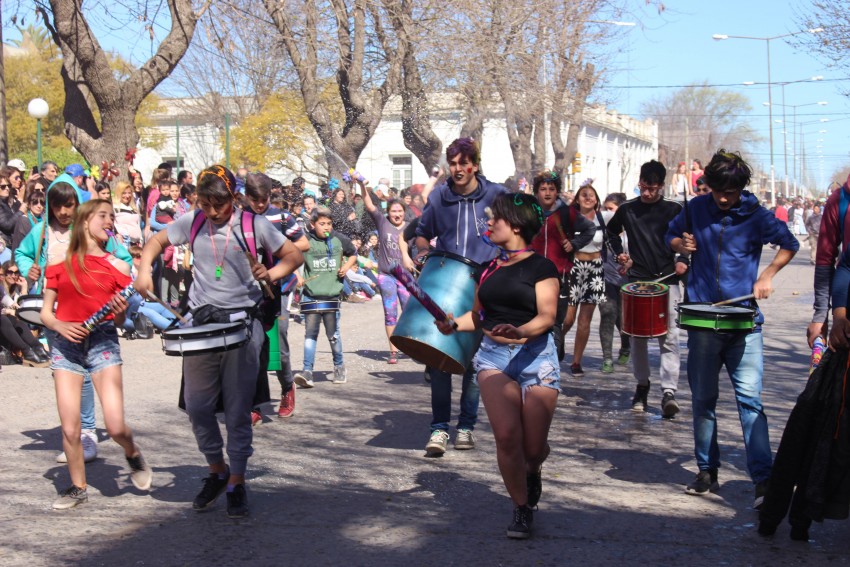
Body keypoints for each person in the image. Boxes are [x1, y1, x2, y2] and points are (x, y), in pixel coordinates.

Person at [135, 165, 302, 519]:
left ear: (232, 197)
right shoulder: (193, 222)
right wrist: (143, 270)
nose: (212, 212)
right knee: (197, 407)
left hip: (244, 322)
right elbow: (155, 241)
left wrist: (269, 273)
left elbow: (294, 256)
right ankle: (216, 469)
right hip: (201, 322)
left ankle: (236, 481)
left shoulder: (253, 225)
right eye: (206, 204)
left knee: (239, 411)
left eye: (219, 205)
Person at [667, 149, 798, 508]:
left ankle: (763, 480)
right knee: (703, 401)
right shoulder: (694, 209)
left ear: (741, 188)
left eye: (732, 192)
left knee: (750, 403)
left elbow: (790, 243)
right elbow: (672, 236)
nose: (725, 199)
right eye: (719, 191)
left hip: (745, 321)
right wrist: (682, 244)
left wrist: (767, 275)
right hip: (702, 320)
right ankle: (707, 470)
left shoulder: (756, 215)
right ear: (709, 185)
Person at [436, 192, 558, 539]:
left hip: (536, 357)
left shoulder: (541, 267)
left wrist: (520, 330)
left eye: (495, 218)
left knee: (533, 450)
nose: (488, 223)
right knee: (507, 438)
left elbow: (547, 316)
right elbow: (477, 316)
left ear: (516, 224)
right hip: (493, 359)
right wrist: (453, 324)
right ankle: (521, 508)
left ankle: (532, 470)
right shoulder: (488, 268)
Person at [42, 199, 152, 509]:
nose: (109, 221)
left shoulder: (118, 266)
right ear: (84, 221)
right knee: (69, 427)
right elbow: (46, 315)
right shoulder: (58, 265)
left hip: (102, 341)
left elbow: (120, 321)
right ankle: (78, 487)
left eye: (112, 217)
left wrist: (119, 314)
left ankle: (131, 452)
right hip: (66, 345)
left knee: (115, 426)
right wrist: (61, 326)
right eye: (103, 215)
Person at [414, 137, 507, 455]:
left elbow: (517, 228)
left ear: (474, 165)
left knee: (472, 361)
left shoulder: (496, 194)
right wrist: (424, 251)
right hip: (446, 283)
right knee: (439, 358)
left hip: (485, 286)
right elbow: (422, 232)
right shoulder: (439, 197)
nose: (457, 169)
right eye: (452, 163)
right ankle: (439, 430)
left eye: (462, 163)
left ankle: (466, 426)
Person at [606, 160, 687, 418]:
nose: (647, 193)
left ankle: (669, 392)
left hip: (668, 279)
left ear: (661, 186)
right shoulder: (628, 209)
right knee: (637, 335)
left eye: (652, 188)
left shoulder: (675, 210)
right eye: (643, 187)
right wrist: (620, 254)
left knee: (670, 337)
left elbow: (688, 241)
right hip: (637, 280)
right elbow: (611, 233)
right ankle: (642, 385)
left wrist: (683, 261)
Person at [243, 172, 309, 420]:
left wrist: (273, 244)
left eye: (264, 199)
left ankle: (286, 387)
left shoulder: (281, 216)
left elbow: (303, 244)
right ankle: (254, 404)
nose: (260, 204)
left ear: (270, 195)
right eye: (255, 199)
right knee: (252, 344)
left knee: (278, 342)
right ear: (247, 196)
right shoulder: (242, 218)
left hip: (279, 287)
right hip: (249, 289)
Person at [529, 170, 594, 363]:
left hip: (560, 276)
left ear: (558, 191)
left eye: (552, 189)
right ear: (536, 192)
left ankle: (554, 357)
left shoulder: (566, 213)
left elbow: (589, 229)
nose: (547, 193)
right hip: (531, 275)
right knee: (533, 318)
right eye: (543, 189)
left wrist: (574, 244)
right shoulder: (530, 212)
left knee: (556, 320)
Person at [293, 206, 357, 388]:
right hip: (311, 295)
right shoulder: (305, 241)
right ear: (312, 224)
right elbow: (292, 256)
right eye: (322, 224)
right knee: (310, 335)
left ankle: (339, 367)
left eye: (329, 223)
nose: (326, 227)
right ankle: (307, 371)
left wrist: (346, 267)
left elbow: (353, 253)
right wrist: (297, 275)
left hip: (332, 295)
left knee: (333, 334)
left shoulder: (339, 239)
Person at [356, 178, 415, 363]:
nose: (396, 214)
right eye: (393, 211)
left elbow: (420, 246)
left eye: (399, 211)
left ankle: (410, 346)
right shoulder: (382, 222)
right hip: (386, 276)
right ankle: (393, 351)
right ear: (388, 212)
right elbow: (368, 203)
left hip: (406, 277)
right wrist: (361, 185)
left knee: (409, 312)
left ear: (404, 212)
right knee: (390, 313)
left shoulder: (410, 227)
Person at [565, 180, 610, 376]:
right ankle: (556, 343)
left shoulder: (604, 218)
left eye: (591, 194)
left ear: (597, 200)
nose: (588, 197)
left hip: (595, 269)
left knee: (585, 320)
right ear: (577, 200)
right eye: (584, 194)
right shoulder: (570, 219)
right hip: (574, 267)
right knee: (568, 319)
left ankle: (576, 362)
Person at [598, 193, 630, 373]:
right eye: (605, 208)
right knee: (607, 314)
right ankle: (607, 358)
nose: (607, 213)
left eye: (611, 209)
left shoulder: (633, 230)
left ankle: (626, 346)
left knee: (624, 320)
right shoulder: (603, 230)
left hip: (629, 283)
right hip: (606, 279)